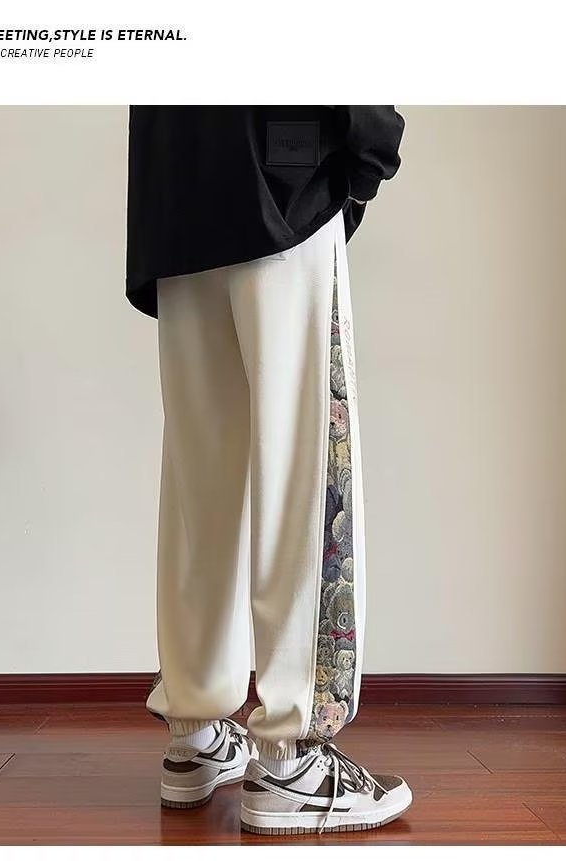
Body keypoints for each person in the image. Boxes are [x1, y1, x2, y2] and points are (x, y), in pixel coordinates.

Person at [125, 106, 410, 835]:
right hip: (283, 179)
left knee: (198, 482)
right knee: (304, 474)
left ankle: (194, 729)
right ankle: (292, 757)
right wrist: (370, 143)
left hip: (176, 192)